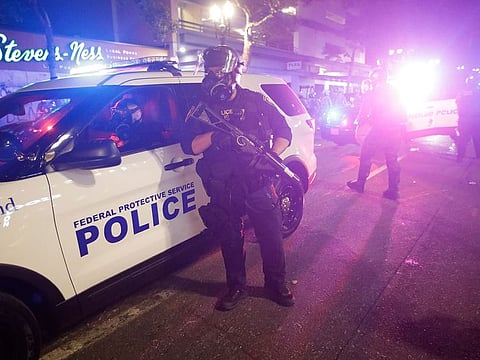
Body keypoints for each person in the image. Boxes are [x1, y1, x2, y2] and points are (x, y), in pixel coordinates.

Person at [181, 45, 295, 311]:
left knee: (271, 237)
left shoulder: (255, 101)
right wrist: (215, 137)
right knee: (231, 240)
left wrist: (271, 155)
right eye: (209, 71)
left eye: (219, 70)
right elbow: (189, 146)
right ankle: (236, 286)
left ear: (233, 72)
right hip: (223, 188)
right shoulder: (202, 109)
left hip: (258, 182)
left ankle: (275, 284)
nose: (214, 76)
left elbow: (284, 131)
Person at [346, 66, 406, 200]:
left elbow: (364, 111)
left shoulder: (373, 92)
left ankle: (360, 183)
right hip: (395, 130)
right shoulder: (395, 91)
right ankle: (394, 190)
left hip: (379, 130)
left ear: (375, 78)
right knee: (392, 159)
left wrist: (359, 124)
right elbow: (403, 111)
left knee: (366, 154)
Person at [455, 72, 480, 162]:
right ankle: (478, 156)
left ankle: (460, 157)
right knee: (477, 139)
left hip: (464, 120)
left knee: (462, 140)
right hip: (476, 120)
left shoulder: (461, 93)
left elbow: (457, 103)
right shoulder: (477, 92)